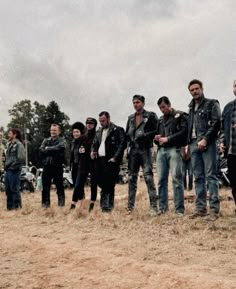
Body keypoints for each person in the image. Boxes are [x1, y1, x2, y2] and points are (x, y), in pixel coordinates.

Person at [187, 79, 221, 220]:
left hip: (208, 143)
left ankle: (214, 210)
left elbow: (216, 123)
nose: (194, 91)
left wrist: (205, 139)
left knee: (211, 176)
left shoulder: (212, 103)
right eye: (192, 90)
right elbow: (190, 127)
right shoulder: (190, 107)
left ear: (202, 88)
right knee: (198, 177)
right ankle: (200, 208)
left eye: (197, 89)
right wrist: (187, 143)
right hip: (194, 144)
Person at [154, 96, 188, 216]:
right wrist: (157, 138)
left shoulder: (179, 115)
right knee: (161, 180)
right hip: (161, 151)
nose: (162, 110)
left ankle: (179, 209)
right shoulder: (160, 120)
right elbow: (158, 136)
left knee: (176, 179)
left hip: (175, 149)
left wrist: (168, 139)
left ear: (169, 105)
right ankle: (163, 208)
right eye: (160, 108)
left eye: (163, 107)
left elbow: (184, 132)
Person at [126, 95, 158, 215]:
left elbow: (157, 130)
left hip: (145, 149)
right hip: (133, 151)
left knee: (148, 178)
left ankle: (154, 207)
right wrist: (128, 146)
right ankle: (130, 207)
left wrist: (144, 135)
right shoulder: (130, 118)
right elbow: (127, 134)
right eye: (134, 102)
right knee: (131, 179)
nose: (135, 104)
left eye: (138, 102)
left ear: (143, 103)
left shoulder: (150, 115)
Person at [91, 111, 126, 213]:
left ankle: (107, 207)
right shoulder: (98, 131)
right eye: (100, 121)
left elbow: (122, 144)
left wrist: (115, 157)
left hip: (111, 160)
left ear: (108, 119)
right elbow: (95, 143)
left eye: (103, 121)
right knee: (102, 183)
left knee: (109, 183)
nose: (101, 123)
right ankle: (105, 206)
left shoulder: (118, 130)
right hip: (99, 160)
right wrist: (93, 151)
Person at [70, 118, 98, 212]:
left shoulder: (97, 135)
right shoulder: (82, 137)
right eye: (87, 123)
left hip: (94, 163)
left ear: (94, 125)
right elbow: (78, 151)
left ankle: (92, 204)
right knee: (78, 185)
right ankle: (73, 204)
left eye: (91, 123)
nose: (89, 125)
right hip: (83, 163)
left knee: (93, 184)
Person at [219, 80, 236, 220]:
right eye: (235, 85)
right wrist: (221, 143)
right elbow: (222, 130)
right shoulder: (227, 108)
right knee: (234, 183)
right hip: (232, 152)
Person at [39, 124, 66, 208]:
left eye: (54, 130)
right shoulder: (45, 140)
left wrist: (48, 149)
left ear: (59, 131)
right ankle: (45, 205)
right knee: (45, 187)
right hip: (47, 166)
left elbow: (61, 147)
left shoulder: (62, 140)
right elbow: (41, 150)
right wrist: (52, 149)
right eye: (51, 130)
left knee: (59, 186)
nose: (52, 132)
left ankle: (61, 205)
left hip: (57, 166)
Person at [4, 128, 25, 210]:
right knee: (8, 189)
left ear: (14, 135)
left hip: (14, 170)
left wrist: (13, 166)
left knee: (14, 189)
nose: (8, 135)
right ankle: (10, 207)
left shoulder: (19, 144)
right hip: (8, 170)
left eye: (9, 133)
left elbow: (21, 158)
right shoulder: (9, 144)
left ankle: (17, 207)